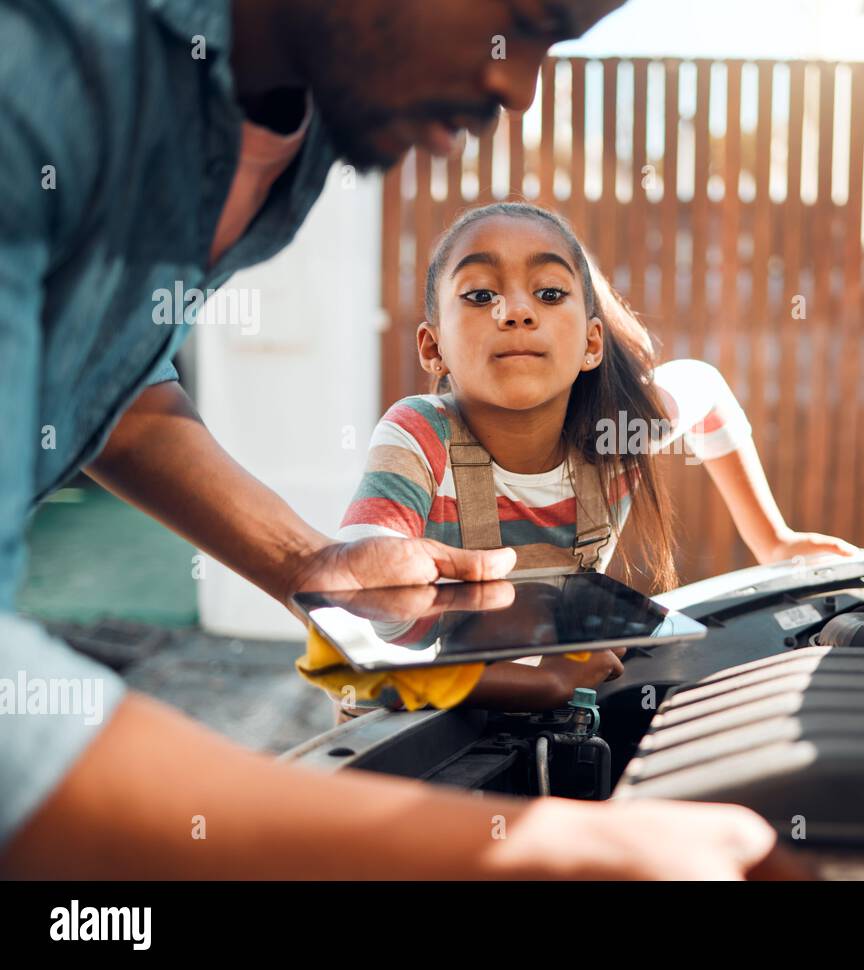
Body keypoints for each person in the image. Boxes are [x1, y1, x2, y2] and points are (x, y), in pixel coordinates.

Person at [0, 0, 791, 879]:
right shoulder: (35, 71)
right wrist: (562, 853)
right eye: (526, 17)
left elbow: (121, 391)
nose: (517, 86)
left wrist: (308, 565)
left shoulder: (289, 133)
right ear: (433, 349)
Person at [334, 201, 858, 712]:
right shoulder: (419, 434)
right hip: (410, 725)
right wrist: (542, 684)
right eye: (479, 295)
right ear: (432, 348)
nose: (515, 311)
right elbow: (361, 631)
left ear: (591, 343)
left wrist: (772, 539)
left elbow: (708, 390)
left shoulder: (619, 432)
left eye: (548, 292)